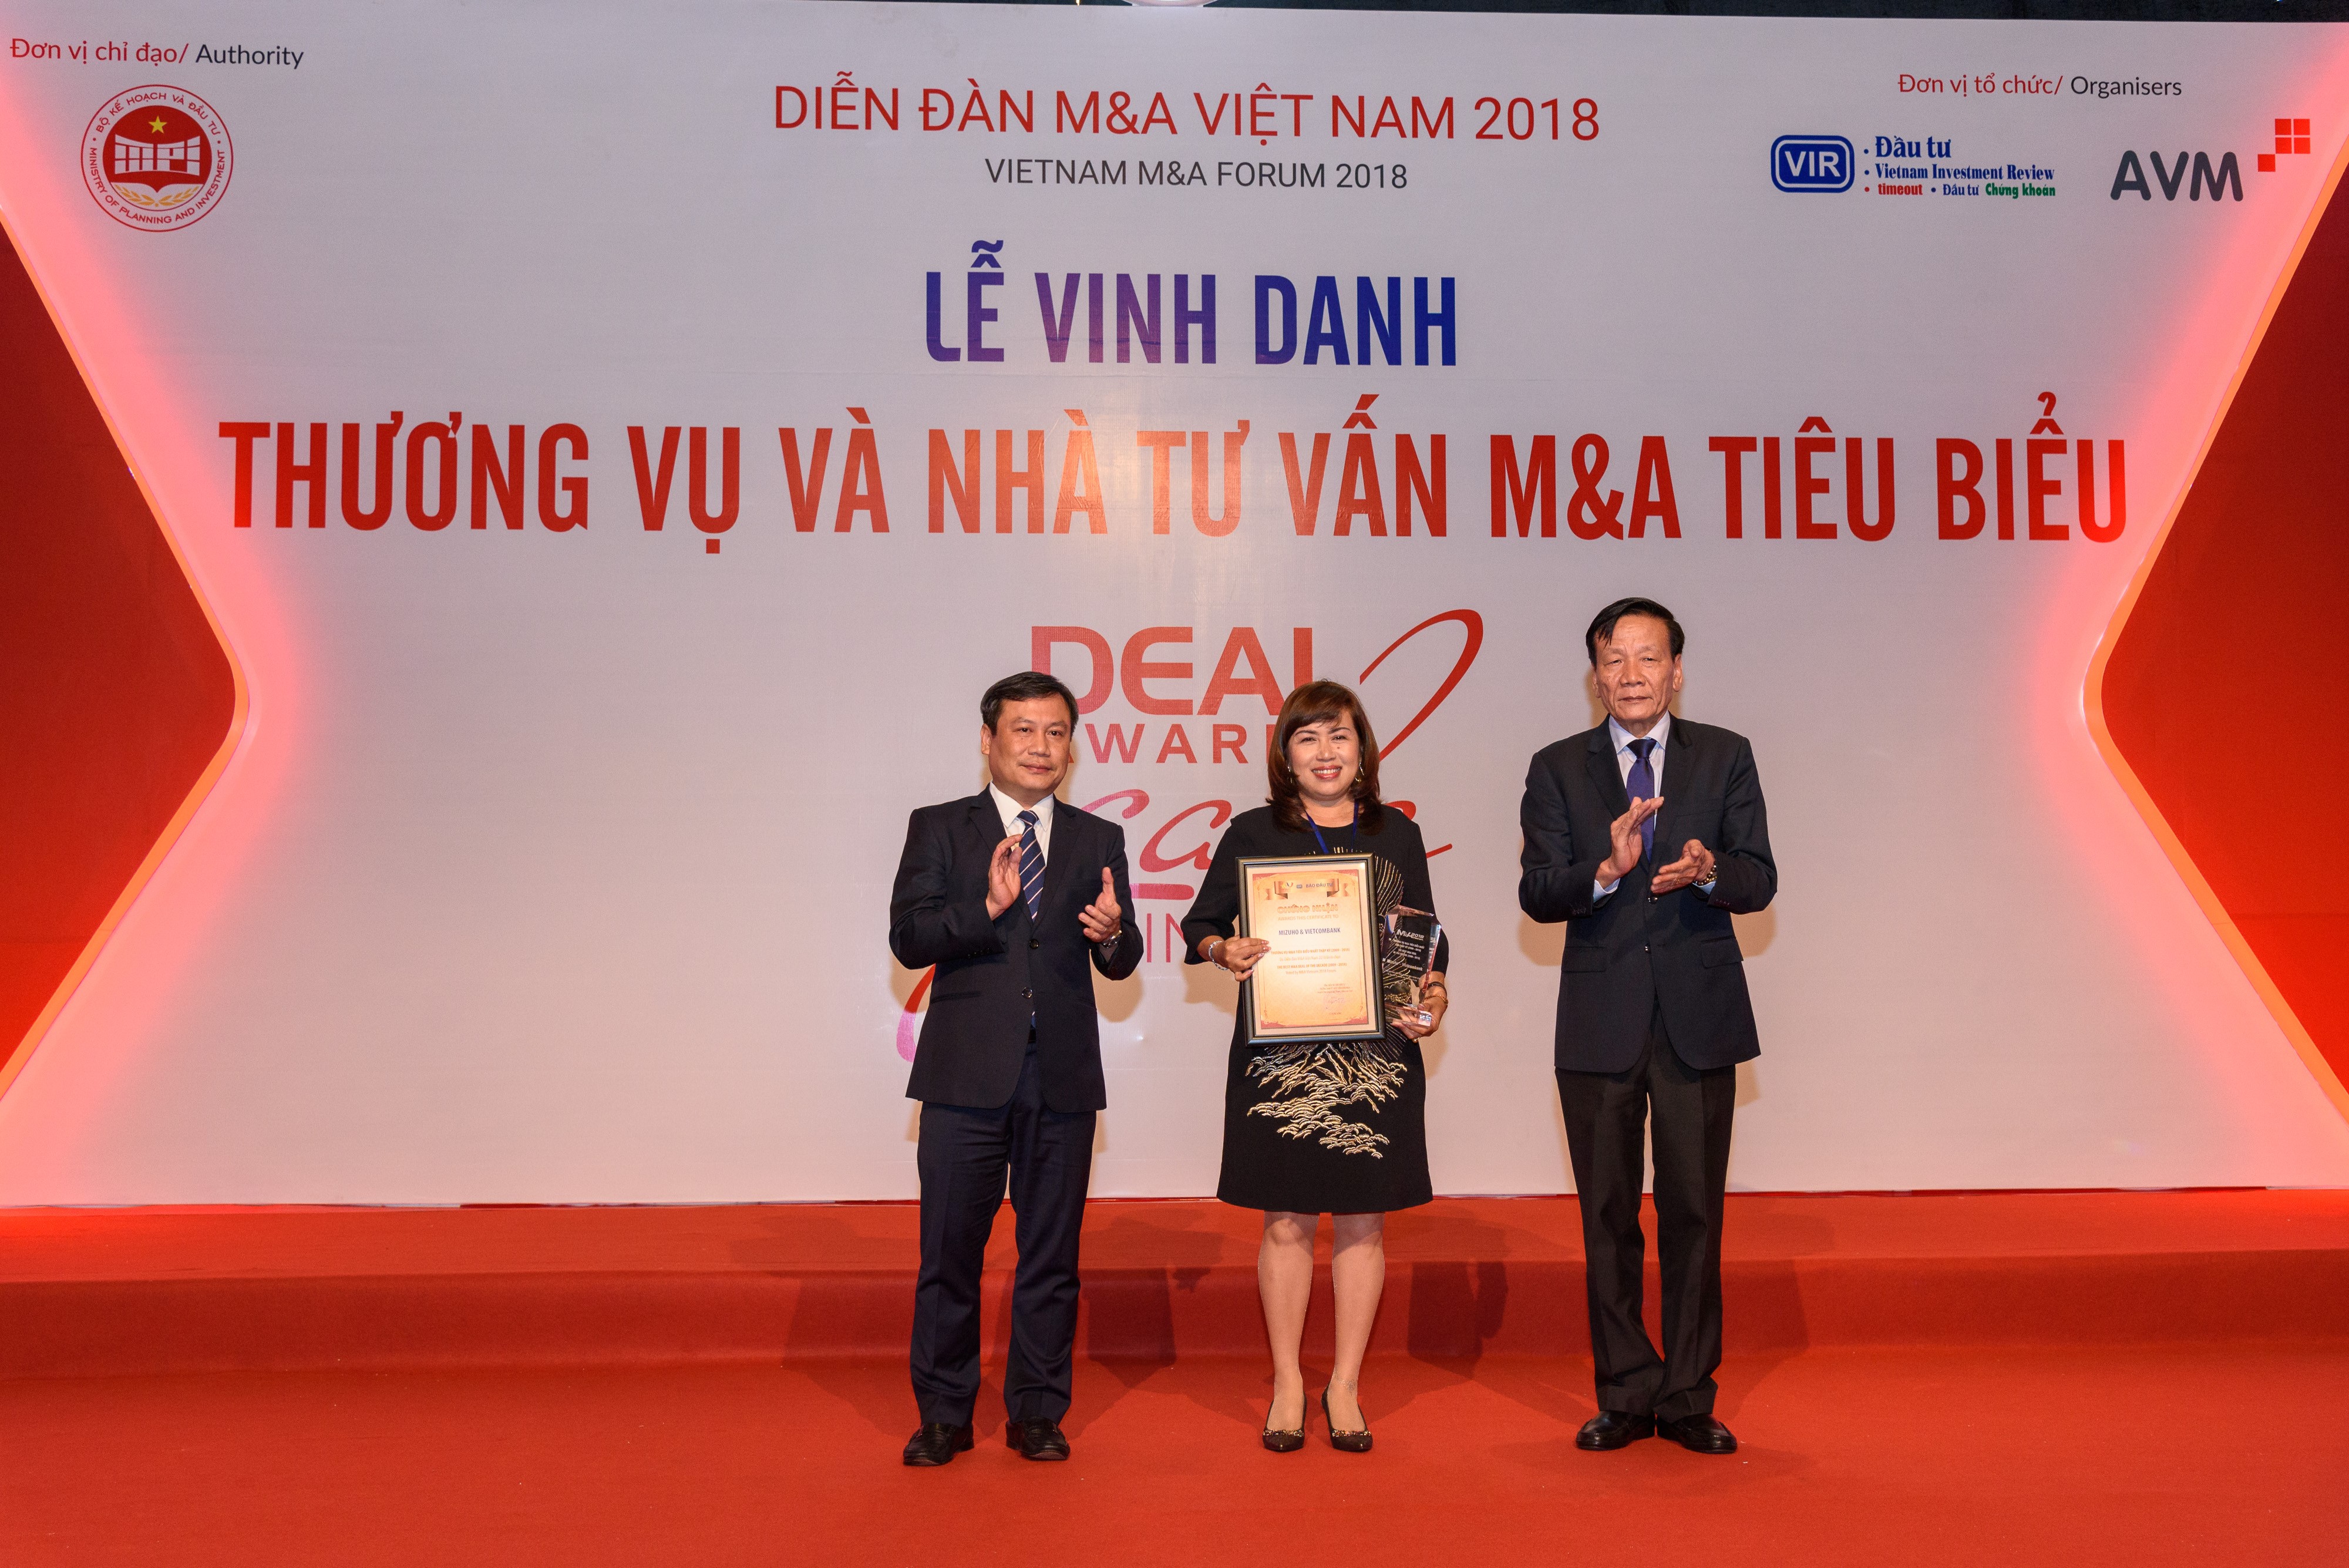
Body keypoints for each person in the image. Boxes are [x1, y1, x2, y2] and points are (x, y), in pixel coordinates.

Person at [1518, 597, 1776, 1456]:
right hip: (1601, 1023)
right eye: (1614, 659)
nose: (1631, 674)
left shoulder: (1725, 756)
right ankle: (1626, 1391)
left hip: (1698, 1019)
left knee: (1695, 1212)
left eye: (1648, 657)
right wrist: (1602, 870)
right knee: (1608, 1214)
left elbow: (1759, 877)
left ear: (1677, 671)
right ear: (1595, 676)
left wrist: (1708, 871)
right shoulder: (1558, 767)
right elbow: (1538, 890)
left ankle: (1690, 1395)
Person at [1181, 681, 1449, 1454]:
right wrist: (1223, 949)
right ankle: (1289, 1382)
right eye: (1309, 738)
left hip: (1378, 1056)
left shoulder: (1397, 832)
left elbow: (1426, 937)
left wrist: (1433, 994)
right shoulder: (1253, 831)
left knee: (1364, 1222)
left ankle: (1347, 1384)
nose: (1326, 752)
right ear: (1286, 754)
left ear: (1362, 750)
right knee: (1287, 1221)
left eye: (1340, 736)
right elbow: (1200, 923)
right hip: (1281, 1057)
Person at [887, 670, 1144, 1466]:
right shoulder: (940, 827)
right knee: (949, 1255)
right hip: (965, 1075)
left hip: (1061, 1077)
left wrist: (1113, 934)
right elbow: (910, 938)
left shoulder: (1098, 838)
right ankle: (944, 1413)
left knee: (1052, 1256)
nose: (1041, 746)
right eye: (1024, 730)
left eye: (1056, 732)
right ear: (988, 739)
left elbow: (1123, 956)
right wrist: (988, 909)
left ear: (1072, 746)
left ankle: (1037, 1410)